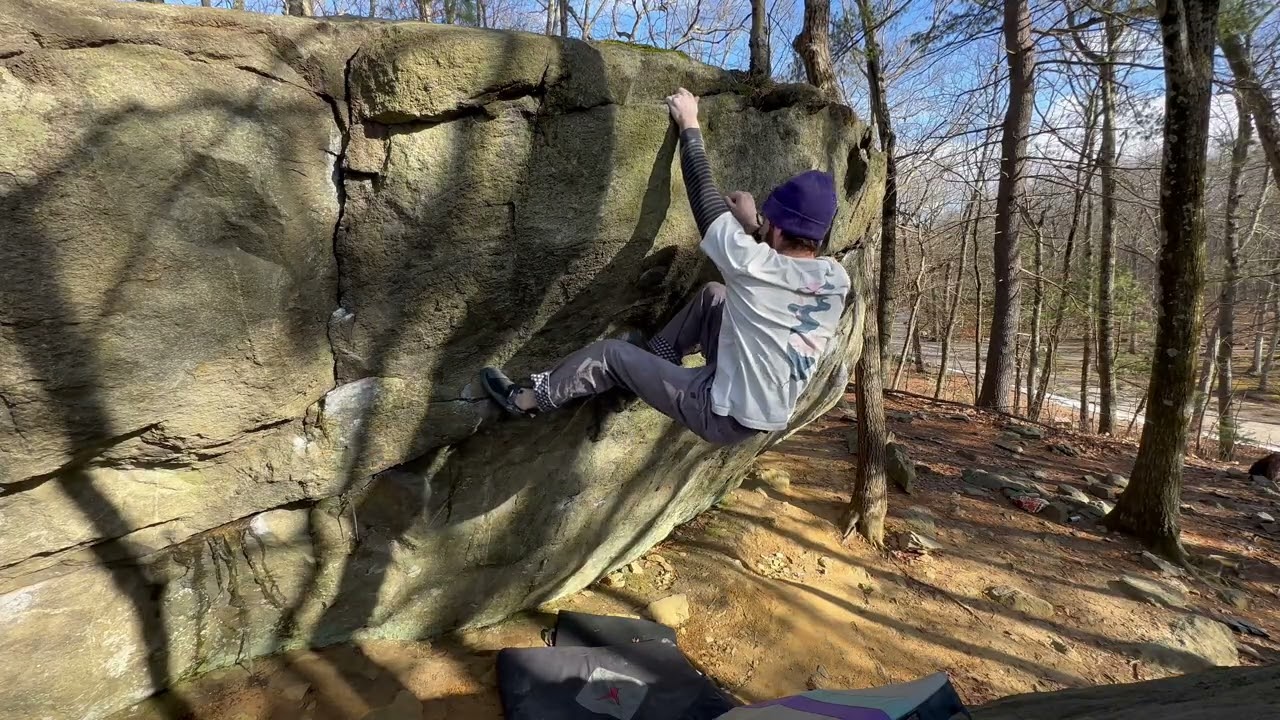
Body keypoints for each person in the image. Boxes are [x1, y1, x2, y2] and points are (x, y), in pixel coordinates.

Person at [481, 87, 850, 445]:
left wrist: (689, 124)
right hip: (758, 404)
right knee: (713, 296)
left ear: (779, 228)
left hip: (720, 412)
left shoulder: (755, 266)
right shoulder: (836, 279)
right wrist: (755, 229)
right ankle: (641, 376)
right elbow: (774, 274)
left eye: (769, 221)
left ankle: (525, 400)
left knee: (610, 355)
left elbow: (704, 199)